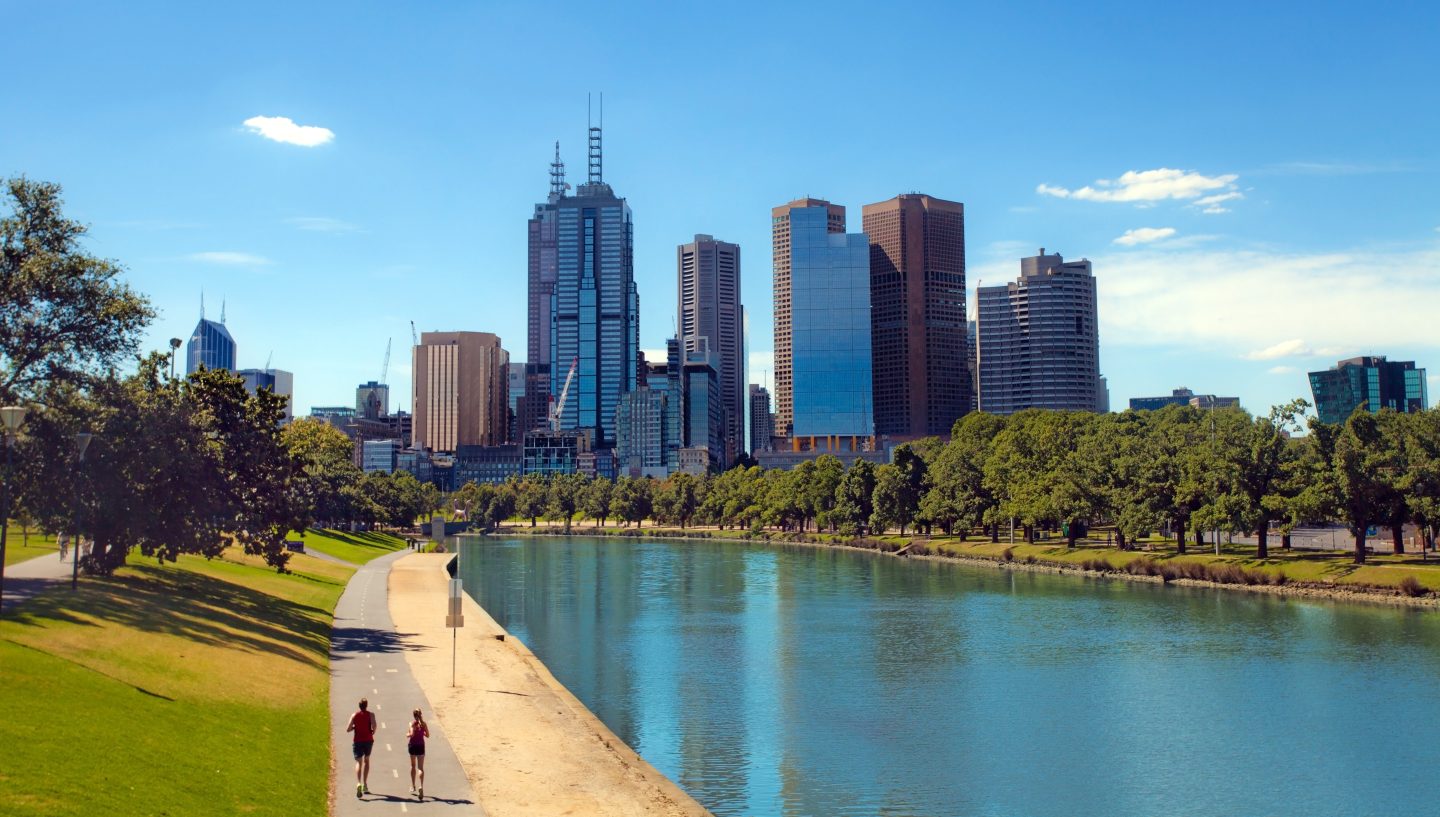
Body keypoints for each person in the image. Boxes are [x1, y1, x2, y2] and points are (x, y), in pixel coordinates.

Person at [346, 698, 377, 797]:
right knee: (366, 760)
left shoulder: (354, 715)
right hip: (368, 740)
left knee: (358, 762)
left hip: (358, 741)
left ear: (359, 706)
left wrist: (355, 727)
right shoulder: (371, 715)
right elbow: (374, 726)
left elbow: (348, 729)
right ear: (366, 705)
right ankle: (365, 784)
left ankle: (358, 782)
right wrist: (372, 732)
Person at [406, 708, 429, 800]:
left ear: (414, 715)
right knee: (420, 768)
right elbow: (428, 735)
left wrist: (407, 734)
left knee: (413, 766)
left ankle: (413, 786)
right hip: (421, 746)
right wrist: (422, 732)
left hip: (412, 746)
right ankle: (421, 786)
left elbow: (411, 734)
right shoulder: (424, 724)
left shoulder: (412, 724)